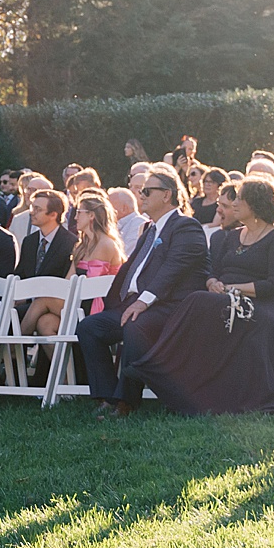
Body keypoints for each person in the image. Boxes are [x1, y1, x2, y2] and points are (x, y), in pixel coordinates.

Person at [129, 177, 274, 416]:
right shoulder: (231, 236)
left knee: (198, 301)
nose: (234, 204)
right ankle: (175, 373)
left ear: (256, 204)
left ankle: (159, 363)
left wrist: (233, 288)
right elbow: (213, 271)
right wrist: (213, 282)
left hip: (262, 305)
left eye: (240, 199)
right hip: (224, 298)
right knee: (200, 300)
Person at [74, 164, 207, 415]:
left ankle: (126, 402)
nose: (141, 196)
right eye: (141, 191)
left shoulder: (186, 227)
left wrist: (142, 302)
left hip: (170, 307)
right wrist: (119, 300)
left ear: (166, 195)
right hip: (135, 302)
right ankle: (107, 396)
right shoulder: (149, 228)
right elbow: (132, 267)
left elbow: (172, 271)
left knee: (136, 324)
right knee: (89, 327)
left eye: (147, 191)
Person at [17, 191, 123, 341]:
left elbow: (91, 286)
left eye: (79, 212)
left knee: (42, 301)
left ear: (92, 215)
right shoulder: (81, 246)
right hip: (79, 300)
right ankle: (68, 365)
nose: (74, 217)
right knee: (45, 323)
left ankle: (13, 348)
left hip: (96, 304)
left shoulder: (106, 244)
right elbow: (68, 281)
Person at [16, 189, 72, 279]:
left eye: (37, 209)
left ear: (53, 215)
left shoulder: (70, 243)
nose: (32, 212)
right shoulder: (29, 241)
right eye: (32, 207)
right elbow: (20, 274)